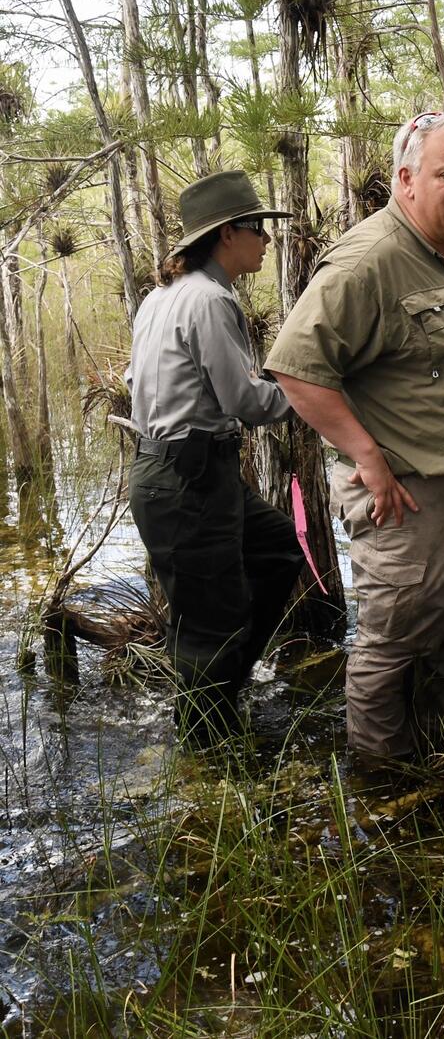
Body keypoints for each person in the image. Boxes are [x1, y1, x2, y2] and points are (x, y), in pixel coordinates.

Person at [265, 111, 444, 764]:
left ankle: (443, 768)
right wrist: (368, 458)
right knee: (391, 651)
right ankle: (381, 788)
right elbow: (295, 366)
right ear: (406, 180)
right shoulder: (368, 259)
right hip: (407, 501)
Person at [127, 170, 304, 749]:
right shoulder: (209, 299)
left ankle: (223, 690)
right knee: (209, 626)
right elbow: (244, 402)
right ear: (228, 233)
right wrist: (306, 396)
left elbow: (135, 380)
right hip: (190, 479)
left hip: (174, 474)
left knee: (277, 547)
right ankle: (208, 752)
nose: (266, 239)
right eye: (257, 228)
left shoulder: (159, 298)